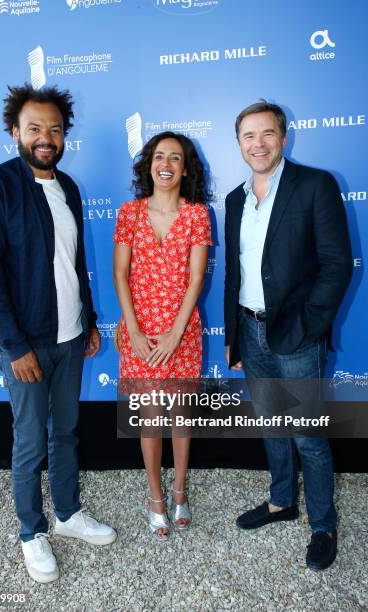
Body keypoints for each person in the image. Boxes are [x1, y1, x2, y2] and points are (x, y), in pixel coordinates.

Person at [0, 84, 116, 583]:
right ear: (15, 132)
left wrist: (90, 321)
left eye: (54, 129)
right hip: (27, 346)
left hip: (71, 340)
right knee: (30, 442)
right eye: (34, 128)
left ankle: (68, 515)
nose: (45, 137)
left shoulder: (68, 187)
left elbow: (74, 264)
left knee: (67, 433)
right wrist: (14, 346)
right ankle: (31, 532)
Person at [224, 101, 352, 570]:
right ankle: (282, 502)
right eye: (248, 136)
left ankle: (323, 523)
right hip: (250, 331)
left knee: (308, 436)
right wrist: (234, 337)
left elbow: (337, 265)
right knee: (272, 425)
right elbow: (234, 274)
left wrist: (309, 327)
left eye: (267, 133)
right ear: (238, 143)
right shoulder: (235, 199)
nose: (258, 144)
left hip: (297, 335)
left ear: (283, 136)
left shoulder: (315, 185)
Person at [113, 131, 212, 541]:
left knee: (181, 419)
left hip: (181, 334)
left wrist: (175, 333)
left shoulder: (197, 215)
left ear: (185, 168)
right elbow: (120, 274)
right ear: (149, 165)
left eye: (175, 157)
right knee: (151, 419)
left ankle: (179, 492)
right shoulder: (129, 213)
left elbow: (195, 280)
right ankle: (155, 498)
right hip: (139, 335)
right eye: (158, 156)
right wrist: (133, 330)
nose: (166, 163)